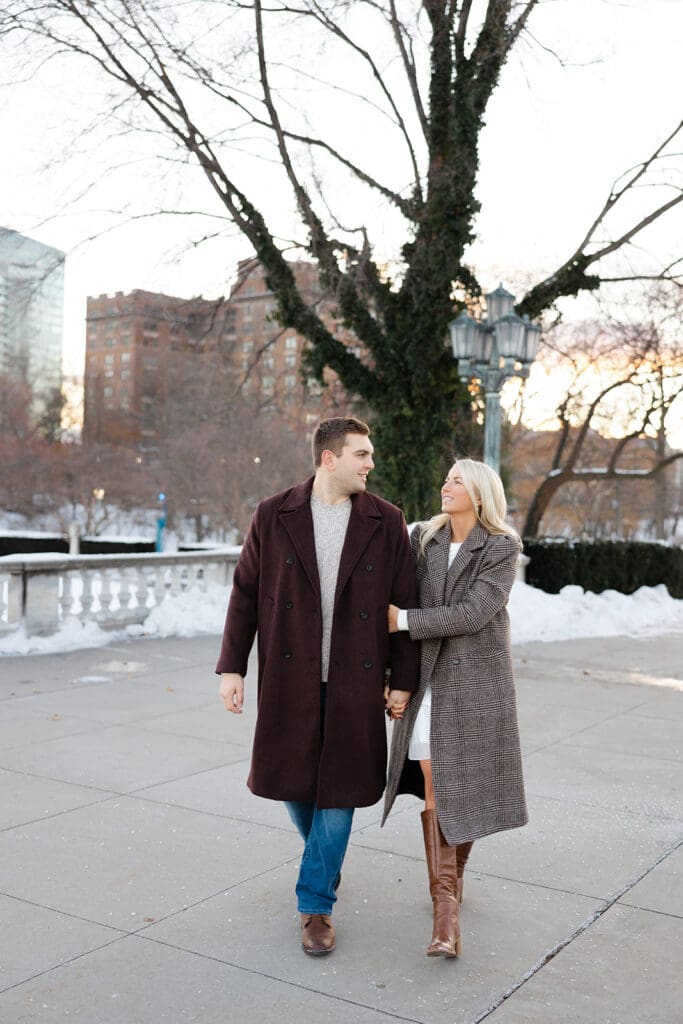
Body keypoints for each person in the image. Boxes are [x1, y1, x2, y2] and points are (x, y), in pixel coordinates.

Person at [217, 416, 420, 957]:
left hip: (358, 679)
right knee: (292, 784)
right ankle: (325, 859)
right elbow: (244, 593)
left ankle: (315, 905)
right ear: (330, 458)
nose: (370, 463)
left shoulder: (386, 521)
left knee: (341, 789)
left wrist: (402, 680)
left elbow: (404, 603)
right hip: (290, 677)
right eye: (361, 454)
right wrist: (232, 668)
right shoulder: (274, 513)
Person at [383, 458, 528, 959]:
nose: (445, 485)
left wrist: (404, 621)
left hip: (476, 684)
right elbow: (398, 591)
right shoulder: (424, 539)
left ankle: (452, 882)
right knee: (433, 773)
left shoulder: (502, 546)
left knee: (461, 783)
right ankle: (445, 909)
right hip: (428, 679)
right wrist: (394, 676)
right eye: (445, 478)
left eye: (457, 480)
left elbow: (474, 613)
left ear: (480, 494)